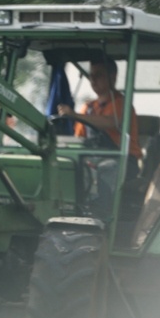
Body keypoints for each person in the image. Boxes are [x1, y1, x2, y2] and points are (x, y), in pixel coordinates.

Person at [57, 56, 142, 215]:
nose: (93, 79)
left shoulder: (121, 104)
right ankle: (68, 212)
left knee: (107, 168)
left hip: (124, 160)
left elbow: (111, 122)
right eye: (91, 75)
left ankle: (103, 219)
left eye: (99, 75)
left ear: (113, 77)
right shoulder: (88, 107)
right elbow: (79, 140)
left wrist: (75, 115)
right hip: (92, 158)